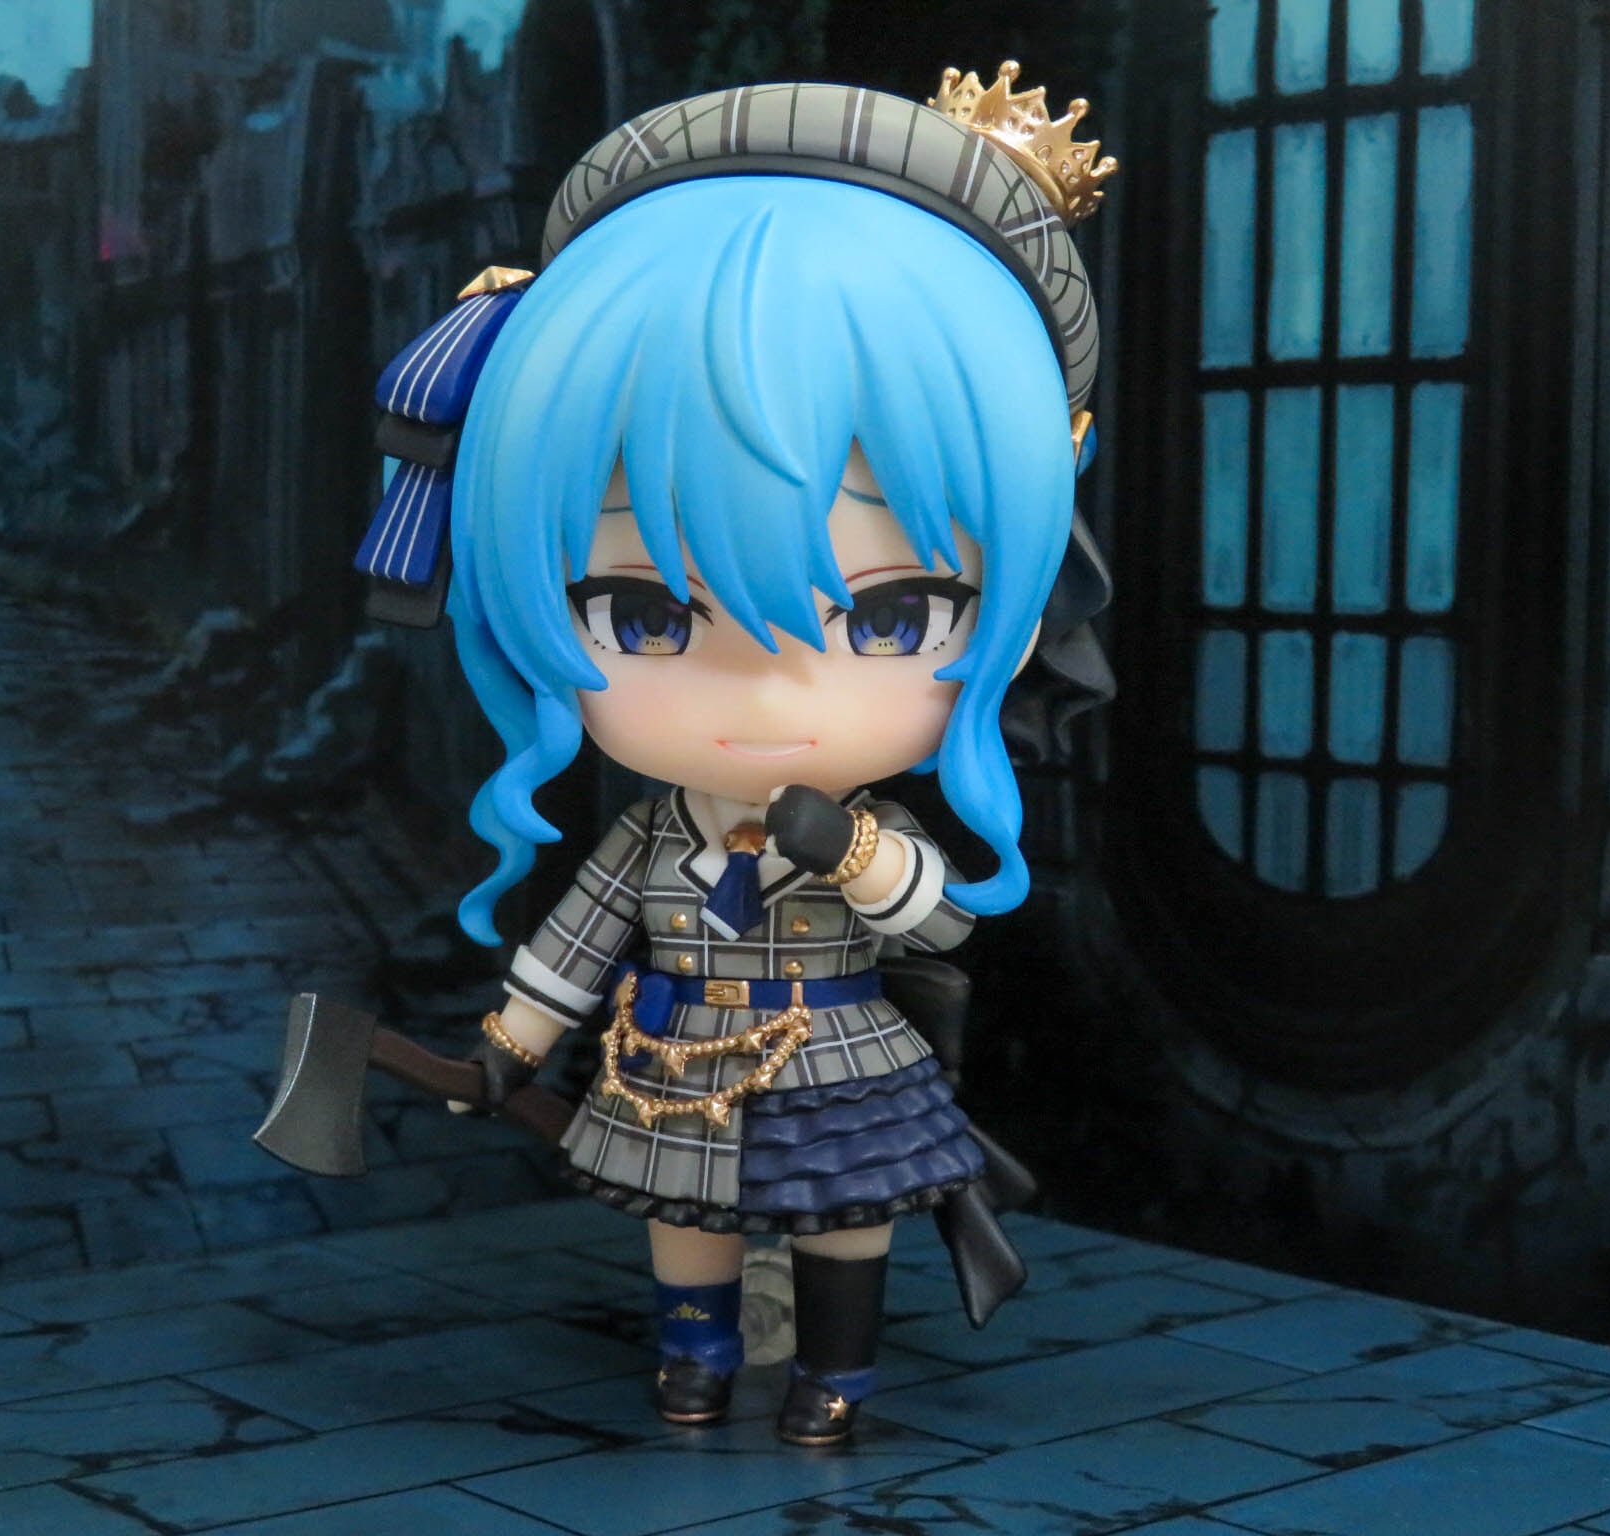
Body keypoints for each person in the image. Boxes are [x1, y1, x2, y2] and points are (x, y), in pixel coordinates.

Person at [357, 67, 1116, 1444]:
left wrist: (860, 852)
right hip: (672, 1055)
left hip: (838, 1051)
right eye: (644, 615)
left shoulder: (852, 824)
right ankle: (696, 1357)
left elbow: (937, 917)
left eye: (890, 619)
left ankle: (838, 1373)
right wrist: (511, 1044)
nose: (767, 696)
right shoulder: (656, 837)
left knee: (847, 1219)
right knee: (683, 1223)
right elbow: (578, 941)